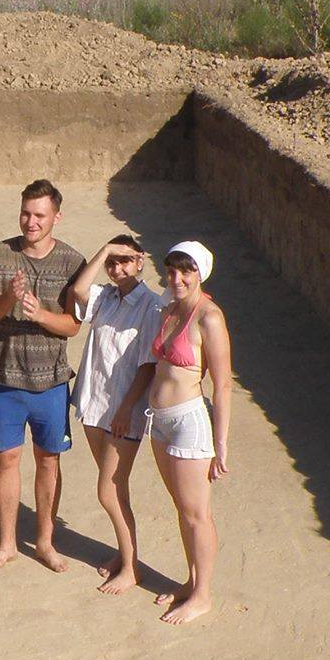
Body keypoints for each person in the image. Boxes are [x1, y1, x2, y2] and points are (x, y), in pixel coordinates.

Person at [108, 241, 232, 624]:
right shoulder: (169, 309)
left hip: (189, 422)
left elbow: (223, 384)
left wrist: (221, 442)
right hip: (159, 421)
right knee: (182, 509)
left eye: (186, 272)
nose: (177, 279)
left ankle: (203, 594)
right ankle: (191, 581)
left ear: (200, 273)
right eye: (173, 272)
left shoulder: (209, 317)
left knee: (197, 513)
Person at [0, 179, 85, 572]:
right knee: (7, 461)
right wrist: (9, 298)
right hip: (5, 377)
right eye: (26, 213)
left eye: (40, 215)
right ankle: (6, 544)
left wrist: (39, 314)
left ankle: (45, 541)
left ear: (57, 216)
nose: (31, 222)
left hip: (51, 381)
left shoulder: (73, 261)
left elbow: (73, 325)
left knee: (49, 462)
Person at [66, 234, 164, 594]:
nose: (118, 268)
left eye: (125, 260)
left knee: (108, 492)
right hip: (94, 403)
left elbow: (148, 365)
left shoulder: (151, 306)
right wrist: (105, 250)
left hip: (124, 411)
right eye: (112, 263)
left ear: (140, 261)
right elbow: (78, 291)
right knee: (116, 490)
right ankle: (126, 557)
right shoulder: (104, 297)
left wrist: (126, 408)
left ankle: (132, 568)